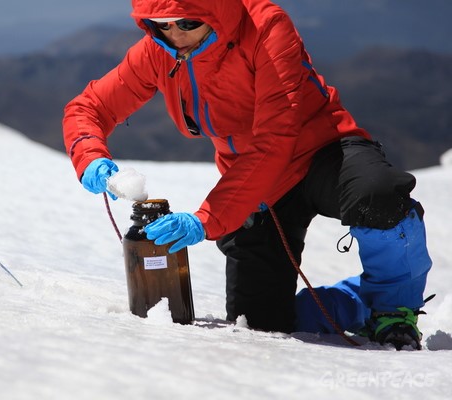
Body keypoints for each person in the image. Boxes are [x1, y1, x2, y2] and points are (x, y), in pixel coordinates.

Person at [63, 0, 433, 350]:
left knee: (378, 195)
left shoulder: (265, 28)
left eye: (189, 23)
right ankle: (359, 304)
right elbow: (89, 107)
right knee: (261, 325)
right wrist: (91, 158)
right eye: (161, 26)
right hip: (254, 182)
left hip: (324, 152)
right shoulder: (158, 52)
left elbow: (276, 137)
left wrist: (207, 219)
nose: (175, 35)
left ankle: (393, 310)